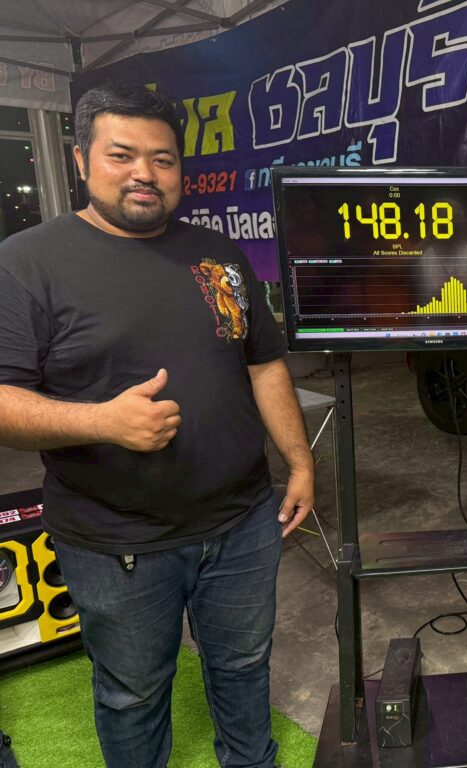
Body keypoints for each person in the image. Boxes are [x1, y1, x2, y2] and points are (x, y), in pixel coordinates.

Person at [0, 83, 315, 768]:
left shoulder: (219, 256)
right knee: (133, 694)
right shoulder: (26, 263)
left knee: (244, 666)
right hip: (118, 543)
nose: (144, 172)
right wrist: (103, 422)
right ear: (81, 160)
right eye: (122, 155)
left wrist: (300, 461)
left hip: (242, 523)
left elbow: (263, 363)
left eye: (163, 159)